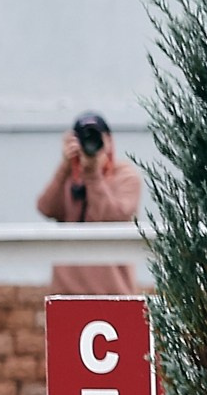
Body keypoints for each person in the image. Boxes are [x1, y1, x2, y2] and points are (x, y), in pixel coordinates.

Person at [37, 112, 143, 294]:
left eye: (96, 136)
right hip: (66, 294)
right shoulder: (68, 176)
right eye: (83, 138)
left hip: (114, 293)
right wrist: (65, 166)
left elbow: (112, 217)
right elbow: (46, 208)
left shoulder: (126, 176)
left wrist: (93, 174)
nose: (90, 143)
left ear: (109, 140)